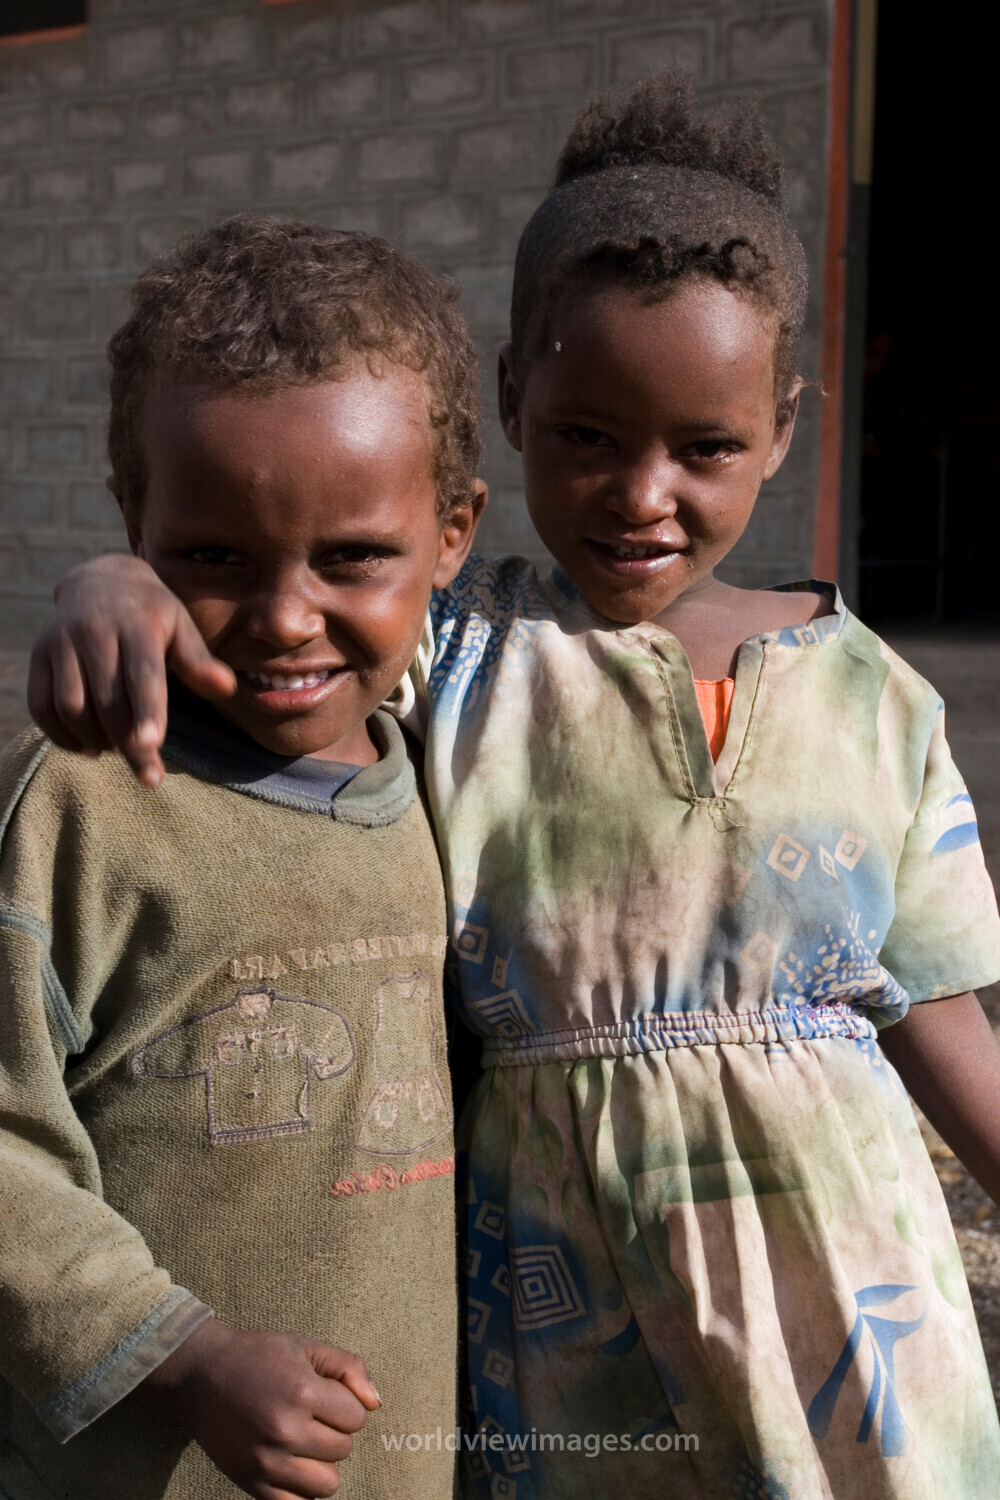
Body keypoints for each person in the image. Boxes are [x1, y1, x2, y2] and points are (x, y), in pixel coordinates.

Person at [25, 76, 1000, 1498]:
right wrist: (111, 580)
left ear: (783, 428)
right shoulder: (464, 652)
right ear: (510, 406)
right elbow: (288, 632)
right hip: (567, 1314)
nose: (641, 493)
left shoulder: (876, 699)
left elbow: (944, 1016)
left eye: (706, 447)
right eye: (587, 436)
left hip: (846, 1312)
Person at [0, 216, 484, 1500]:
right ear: (135, 523)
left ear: (452, 534)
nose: (281, 616)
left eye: (354, 558)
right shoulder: (86, 804)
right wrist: (186, 1354)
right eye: (211, 556)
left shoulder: (460, 770)